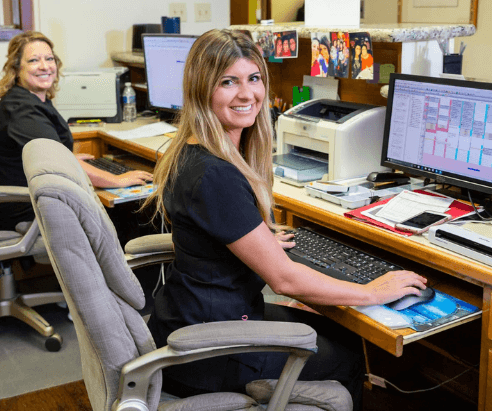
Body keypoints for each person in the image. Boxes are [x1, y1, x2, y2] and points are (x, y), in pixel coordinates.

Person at [145, 29, 427, 410]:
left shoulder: (191, 152)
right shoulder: (215, 175)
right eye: (228, 82)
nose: (247, 95)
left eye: (254, 78)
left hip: (189, 318)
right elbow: (284, 278)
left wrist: (257, 240)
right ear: (201, 89)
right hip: (210, 351)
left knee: (333, 329)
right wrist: (373, 292)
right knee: (347, 356)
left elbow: (213, 236)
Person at [0, 31, 153, 231]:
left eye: (49, 59)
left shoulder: (32, 98)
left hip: (40, 193)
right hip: (29, 207)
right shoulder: (22, 110)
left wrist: (70, 158)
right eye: (34, 60)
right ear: (17, 69)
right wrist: (117, 179)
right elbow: (58, 162)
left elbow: (49, 151)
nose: (44, 66)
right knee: (130, 215)